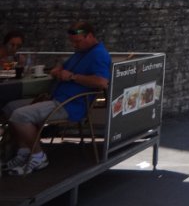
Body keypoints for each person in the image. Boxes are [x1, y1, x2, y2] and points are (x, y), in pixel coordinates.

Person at [2, 21, 111, 176]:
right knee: (10, 107)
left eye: (77, 41)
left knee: (20, 116)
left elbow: (102, 82)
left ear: (90, 36)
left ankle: (38, 156)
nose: (74, 45)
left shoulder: (99, 54)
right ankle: (24, 151)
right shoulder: (82, 51)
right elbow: (64, 64)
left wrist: (72, 77)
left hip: (69, 105)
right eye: (72, 42)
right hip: (56, 98)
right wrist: (59, 69)